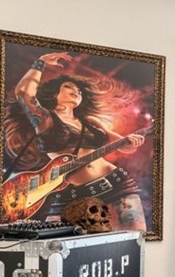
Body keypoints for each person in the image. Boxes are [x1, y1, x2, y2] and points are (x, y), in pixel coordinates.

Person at [10, 51, 148, 229]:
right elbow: (23, 93)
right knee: (58, 239)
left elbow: (124, 146)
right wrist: (40, 63)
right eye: (69, 87)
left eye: (79, 91)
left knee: (134, 236)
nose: (76, 91)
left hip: (115, 181)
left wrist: (132, 142)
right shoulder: (46, 120)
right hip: (72, 193)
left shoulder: (90, 122)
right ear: (55, 93)